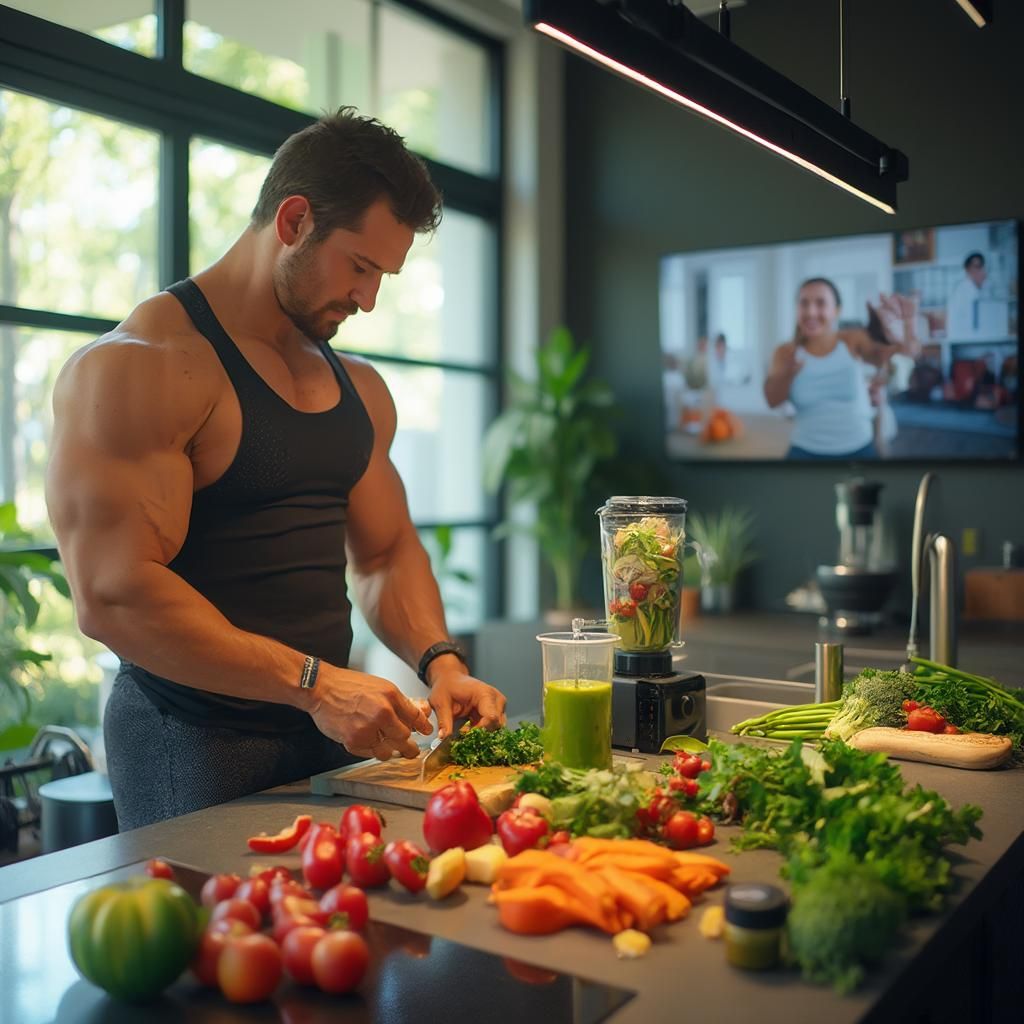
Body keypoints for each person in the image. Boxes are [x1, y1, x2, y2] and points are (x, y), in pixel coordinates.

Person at [44, 108, 507, 830]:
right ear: (293, 221)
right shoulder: (142, 368)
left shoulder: (359, 387)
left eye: (383, 276)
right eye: (359, 266)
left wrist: (441, 662)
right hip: (193, 735)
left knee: (346, 931)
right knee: (216, 942)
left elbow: (384, 554)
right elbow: (114, 594)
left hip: (325, 728)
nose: (369, 298)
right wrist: (316, 686)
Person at [763, 278, 921, 460]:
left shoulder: (852, 340)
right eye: (804, 303)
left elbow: (904, 355)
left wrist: (908, 324)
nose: (811, 312)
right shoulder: (785, 352)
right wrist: (788, 373)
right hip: (804, 451)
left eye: (820, 303)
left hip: (859, 449)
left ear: (837, 310)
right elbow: (772, 401)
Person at [946, 252, 989, 339]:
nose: (982, 270)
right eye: (977, 267)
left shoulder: (979, 289)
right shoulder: (962, 291)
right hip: (965, 340)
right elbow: (971, 322)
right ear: (967, 270)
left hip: (976, 338)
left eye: (982, 266)